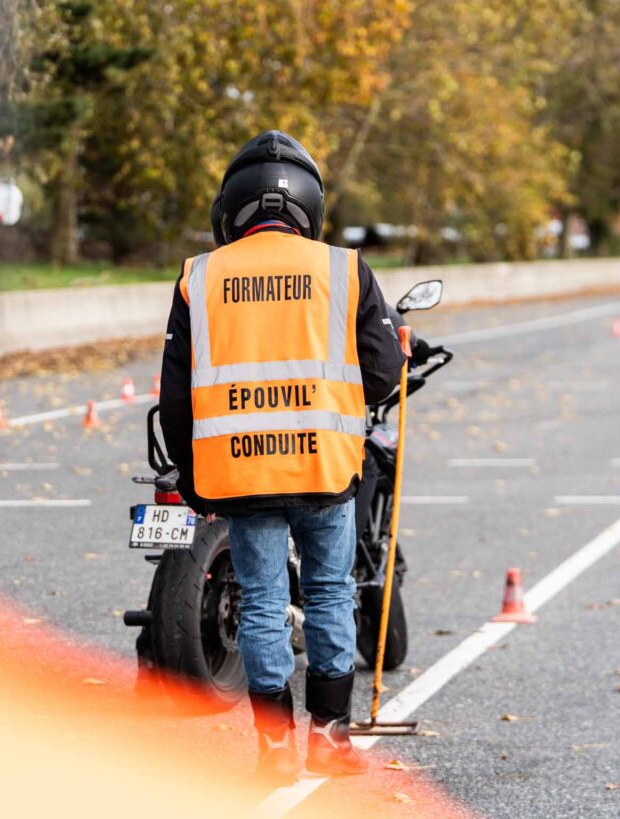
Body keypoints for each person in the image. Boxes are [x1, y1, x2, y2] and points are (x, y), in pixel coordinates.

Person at [159, 131, 410, 782]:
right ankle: (329, 737)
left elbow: (176, 397)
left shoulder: (198, 278)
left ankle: (272, 750)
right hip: (325, 466)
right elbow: (384, 375)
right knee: (329, 591)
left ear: (233, 207)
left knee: (264, 600)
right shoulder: (344, 269)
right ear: (308, 205)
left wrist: (193, 477)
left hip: (241, 470)